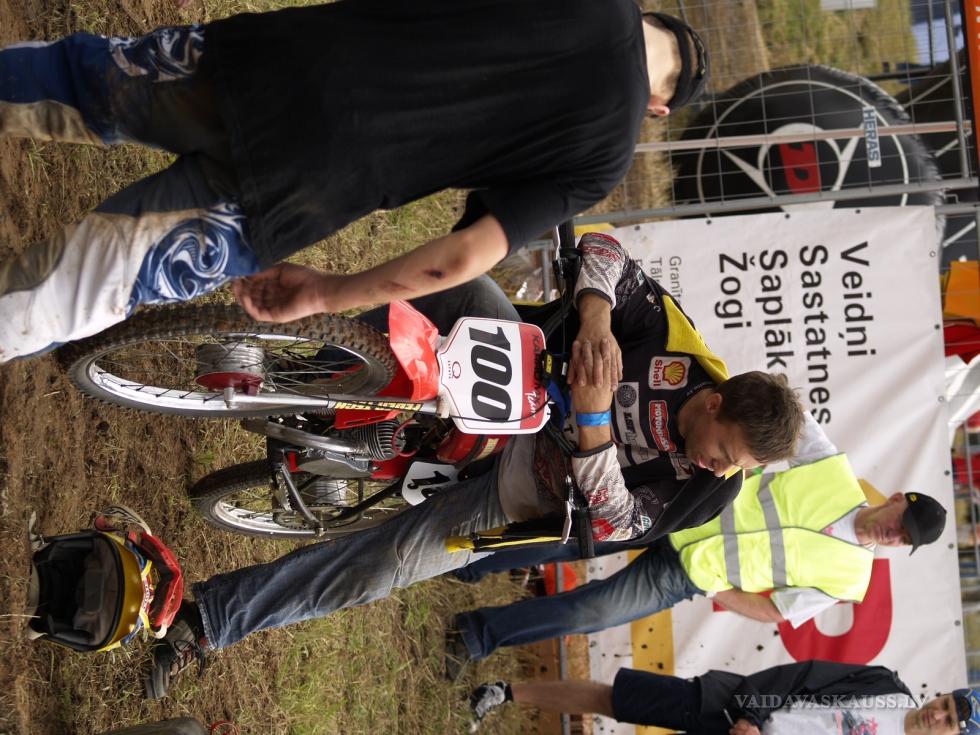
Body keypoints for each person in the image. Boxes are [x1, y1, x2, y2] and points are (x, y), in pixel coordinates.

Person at [142, 231, 805, 698]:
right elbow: (604, 251)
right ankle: (296, 373)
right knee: (470, 287)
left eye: (734, 468)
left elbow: (615, 522)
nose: (718, 469)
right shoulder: (678, 350)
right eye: (724, 453)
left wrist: (595, 422)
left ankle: (210, 620)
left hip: (522, 494)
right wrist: (599, 320)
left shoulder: (710, 490)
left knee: (387, 563)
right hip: (519, 386)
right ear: (714, 402)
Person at [0, 1, 709, 361]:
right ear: (659, 106)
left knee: (79, 80)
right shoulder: (606, 155)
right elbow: (462, 258)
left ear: (653, 19)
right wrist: (327, 295)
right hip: (301, 187)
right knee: (80, 287)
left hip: (276, 58)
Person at [447, 413, 947, 667]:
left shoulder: (852, 581)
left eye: (904, 539)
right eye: (902, 522)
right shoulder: (833, 469)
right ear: (896, 498)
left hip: (687, 575)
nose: (894, 534)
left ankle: (475, 635)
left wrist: (716, 589)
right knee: (565, 536)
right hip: (681, 507)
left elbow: (777, 611)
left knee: (589, 613)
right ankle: (464, 561)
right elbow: (786, 419)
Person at [467, 660, 976, 735]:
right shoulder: (886, 687)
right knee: (614, 699)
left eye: (950, 720)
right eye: (946, 704)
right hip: (730, 709)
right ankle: (504, 691)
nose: (938, 715)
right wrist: (750, 716)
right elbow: (803, 676)